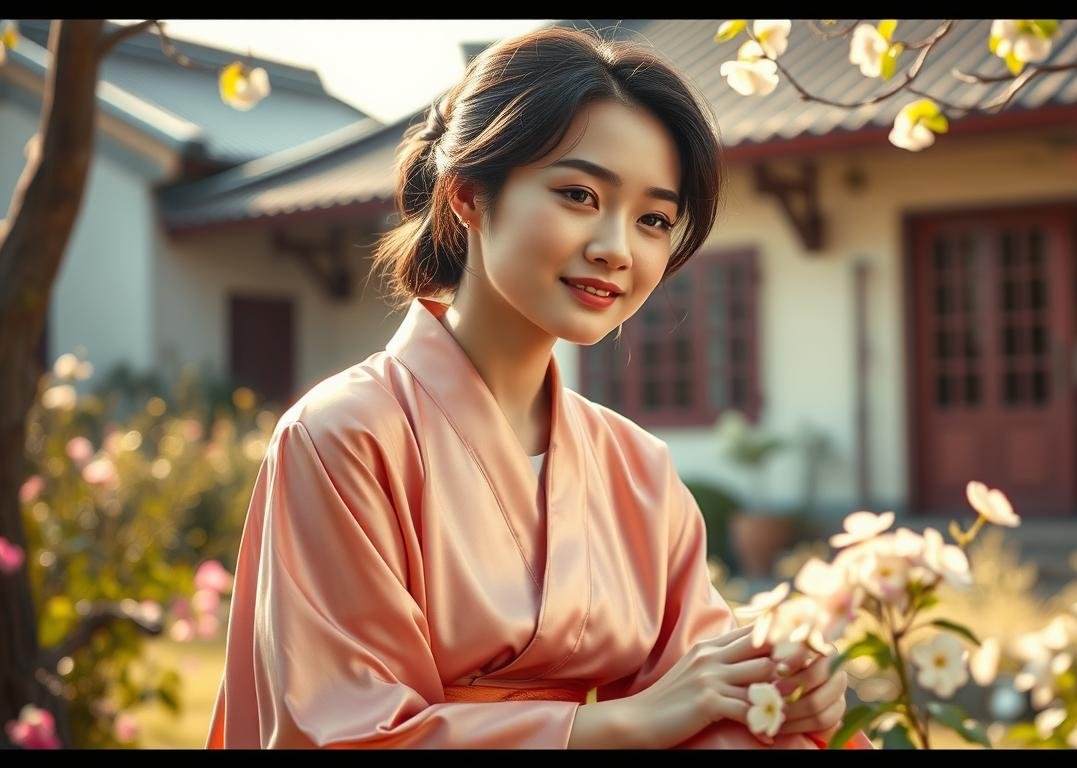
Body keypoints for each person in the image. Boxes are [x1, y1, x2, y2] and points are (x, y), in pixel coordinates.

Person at [205, 25, 871, 749]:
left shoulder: (637, 466)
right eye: (580, 194)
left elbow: (700, 682)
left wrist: (777, 690)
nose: (617, 248)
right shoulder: (342, 437)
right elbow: (342, 728)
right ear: (467, 195)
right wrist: (613, 725)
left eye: (653, 219)